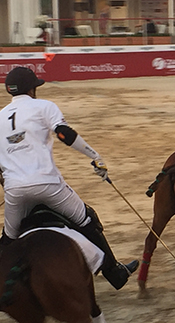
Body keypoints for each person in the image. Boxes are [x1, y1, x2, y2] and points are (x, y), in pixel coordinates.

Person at [0, 66, 139, 290]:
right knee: (87, 219)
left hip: (15, 191)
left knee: (8, 239)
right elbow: (66, 135)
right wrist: (95, 156)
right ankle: (114, 272)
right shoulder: (44, 107)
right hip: (49, 186)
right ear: (32, 89)